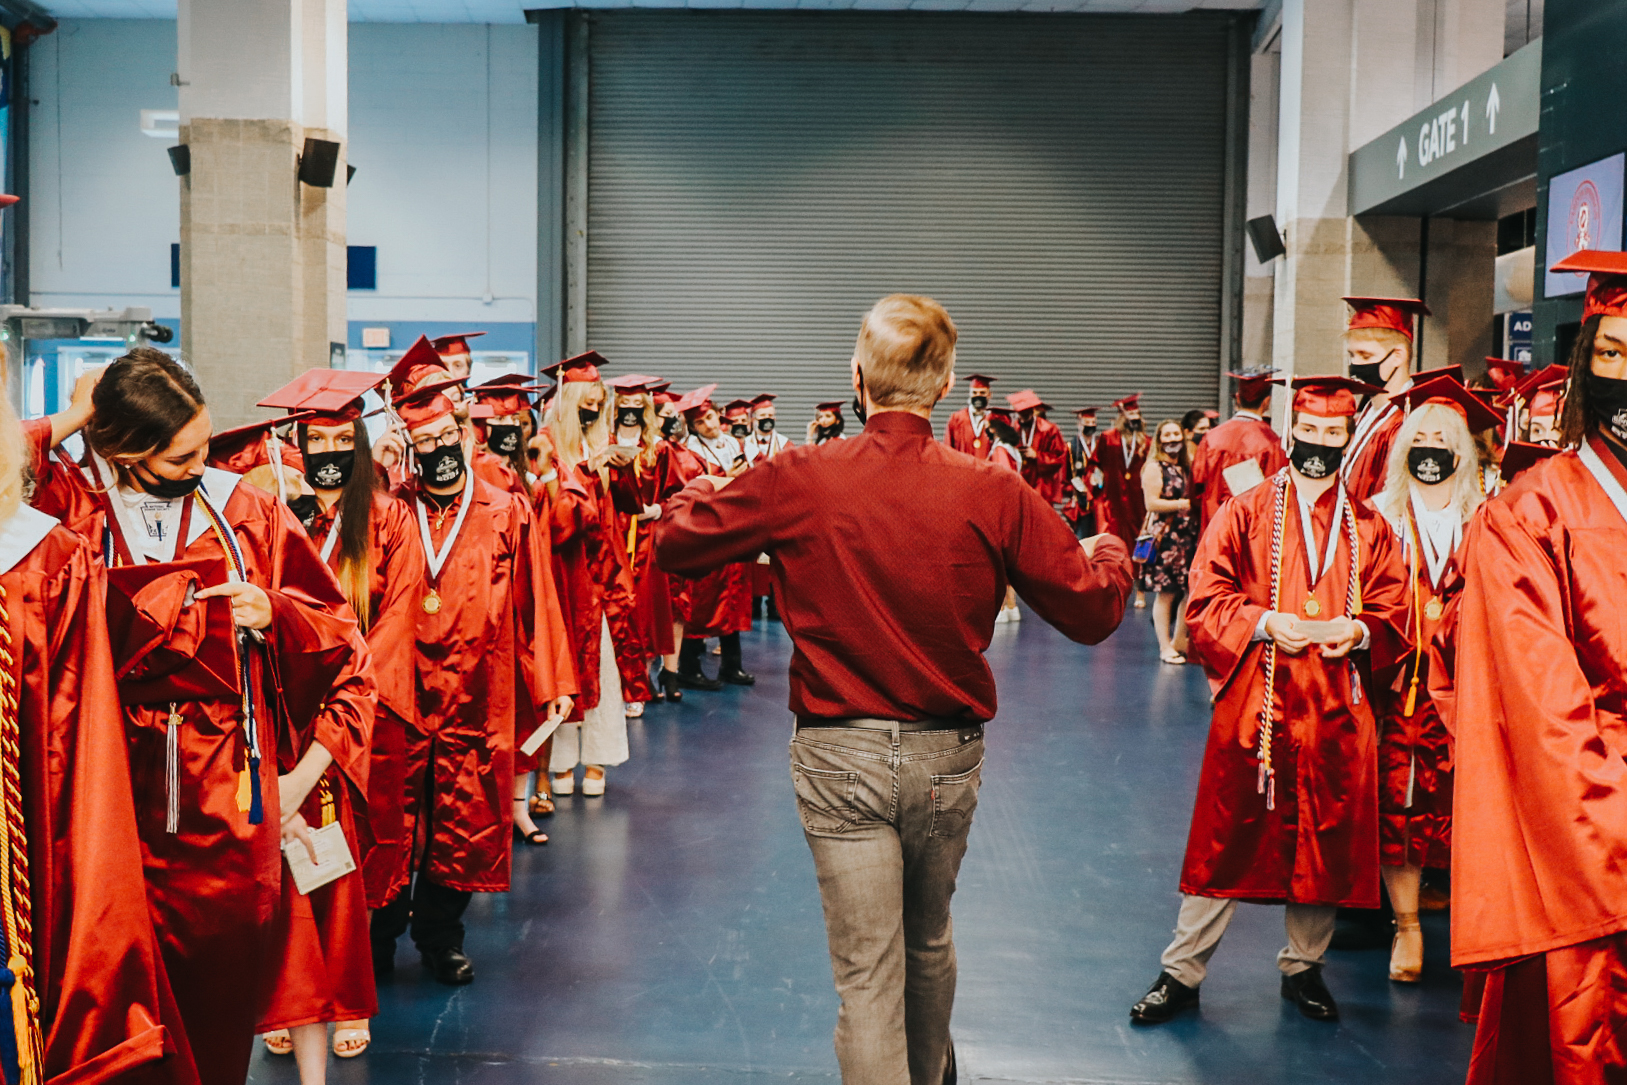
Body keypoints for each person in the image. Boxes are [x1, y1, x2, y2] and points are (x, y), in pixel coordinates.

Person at [654, 294, 1132, 1085]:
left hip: (838, 756)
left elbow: (677, 544)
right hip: (945, 756)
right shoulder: (991, 489)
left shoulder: (798, 477)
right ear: (943, 385)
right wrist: (1110, 547)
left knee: (867, 976)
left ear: (856, 376)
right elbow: (1089, 610)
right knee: (928, 936)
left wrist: (693, 491)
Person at [28, 349, 376, 1085]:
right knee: (108, 994)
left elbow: (340, 634)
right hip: (106, 789)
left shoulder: (242, 507)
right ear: (123, 449)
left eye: (204, 442)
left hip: (226, 795)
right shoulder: (71, 508)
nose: (201, 461)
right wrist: (74, 417)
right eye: (181, 452)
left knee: (217, 1001)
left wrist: (272, 610)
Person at [1130, 375, 1408, 1027]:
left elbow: (1394, 606)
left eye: (1331, 433)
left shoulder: (1368, 525)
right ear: (1291, 433)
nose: (1318, 443)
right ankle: (1181, 971)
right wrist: (1260, 620)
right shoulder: (1246, 510)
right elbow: (1205, 597)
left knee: (1324, 835)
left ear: (1345, 440)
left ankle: (1302, 967)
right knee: (1224, 833)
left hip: (1335, 705)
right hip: (1258, 702)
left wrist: (1359, 628)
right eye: (1307, 431)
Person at [1449, 249, 1627, 1083]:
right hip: (1589, 855)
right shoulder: (1528, 513)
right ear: (1586, 364)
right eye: (1614, 353)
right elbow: (1545, 718)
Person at [0, 363, 199, 1085]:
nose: (201, 470)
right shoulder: (64, 531)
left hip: (159, 773)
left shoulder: (43, 557)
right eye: (183, 455)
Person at [371, 355, 576, 987]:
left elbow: (538, 596)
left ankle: (441, 937)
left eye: (444, 438)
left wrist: (555, 682)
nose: (436, 451)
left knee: (462, 821)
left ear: (466, 434)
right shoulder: (390, 510)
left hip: (475, 689)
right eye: (422, 442)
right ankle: (380, 935)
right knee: (393, 818)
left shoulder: (504, 509)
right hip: (398, 692)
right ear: (407, 448)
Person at [252, 369, 425, 1070]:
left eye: (337, 440)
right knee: (283, 863)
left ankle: (347, 998)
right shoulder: (277, 514)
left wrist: (343, 697)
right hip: (283, 709)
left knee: (343, 863)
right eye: (313, 440)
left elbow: (397, 616)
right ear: (297, 443)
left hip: (358, 711)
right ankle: (288, 995)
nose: (326, 453)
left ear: (356, 445)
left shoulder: (386, 517)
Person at [1368, 376, 1496, 986]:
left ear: (1462, 451)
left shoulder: (1490, 519)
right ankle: (1408, 926)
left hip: (1472, 692)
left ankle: (1479, 927)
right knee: (1400, 800)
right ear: (1400, 448)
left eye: (1442, 438)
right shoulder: (1377, 519)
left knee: (1472, 805)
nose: (1429, 447)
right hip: (1402, 687)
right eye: (1418, 436)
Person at [539, 351, 638, 794]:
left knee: (603, 663)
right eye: (587, 399)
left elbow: (626, 508)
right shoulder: (546, 447)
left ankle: (598, 758)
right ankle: (560, 761)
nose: (594, 409)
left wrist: (617, 471)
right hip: (564, 570)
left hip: (603, 569)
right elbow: (557, 524)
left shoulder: (601, 442)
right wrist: (587, 477)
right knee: (565, 666)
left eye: (600, 401)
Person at [680, 393, 755, 687]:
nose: (709, 425)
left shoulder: (734, 443)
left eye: (710, 417)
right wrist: (727, 476)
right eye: (700, 422)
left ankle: (731, 665)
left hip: (733, 528)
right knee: (701, 599)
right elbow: (694, 489)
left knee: (732, 598)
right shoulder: (689, 451)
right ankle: (689, 667)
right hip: (706, 531)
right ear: (693, 427)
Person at [1340, 296, 1431, 502]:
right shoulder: (1368, 412)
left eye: (1365, 356)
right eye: (1351, 356)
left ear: (1398, 356)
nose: (1355, 365)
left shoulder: (1410, 420)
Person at [1188, 368, 1287, 535]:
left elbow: (1195, 489)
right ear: (1266, 402)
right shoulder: (1272, 442)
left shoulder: (1211, 438)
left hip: (1215, 528)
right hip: (1252, 532)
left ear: (1238, 399)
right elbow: (1276, 494)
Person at [1139, 419, 1197, 665]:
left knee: (1188, 590)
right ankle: (1164, 646)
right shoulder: (1154, 467)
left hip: (1188, 536)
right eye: (1167, 434)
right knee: (1166, 593)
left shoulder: (1187, 467)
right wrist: (1184, 504)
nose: (1172, 439)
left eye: (1176, 434)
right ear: (1160, 439)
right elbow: (1151, 503)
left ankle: (1179, 640)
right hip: (1166, 538)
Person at [1099, 394, 1150, 608]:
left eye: (1136, 414)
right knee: (1115, 541)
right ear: (1121, 415)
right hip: (1116, 498)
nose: (1133, 417)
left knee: (1142, 542)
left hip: (1139, 498)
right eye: (1129, 413)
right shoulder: (1108, 437)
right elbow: (1099, 462)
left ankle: (1141, 591)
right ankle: (1115, 587)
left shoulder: (1146, 441)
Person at [1008, 389, 1069, 507]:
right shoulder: (1012, 429)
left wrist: (1038, 456)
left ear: (1033, 410)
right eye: (1021, 413)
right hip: (1019, 485)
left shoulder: (1049, 430)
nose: (1024, 417)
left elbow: (1060, 458)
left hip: (1041, 486)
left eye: (1027, 413)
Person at [1065, 407, 1104, 539]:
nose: (1090, 426)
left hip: (1100, 499)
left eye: (1093, 423)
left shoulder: (1101, 444)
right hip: (1082, 500)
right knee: (1081, 539)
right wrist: (1075, 490)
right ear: (1079, 424)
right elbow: (1065, 477)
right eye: (1086, 423)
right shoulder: (1071, 448)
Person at [944, 373, 998, 459]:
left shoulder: (995, 419)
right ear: (969, 394)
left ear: (989, 395)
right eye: (974, 392)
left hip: (987, 470)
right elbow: (948, 448)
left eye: (982, 392)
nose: (978, 395)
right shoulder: (957, 418)